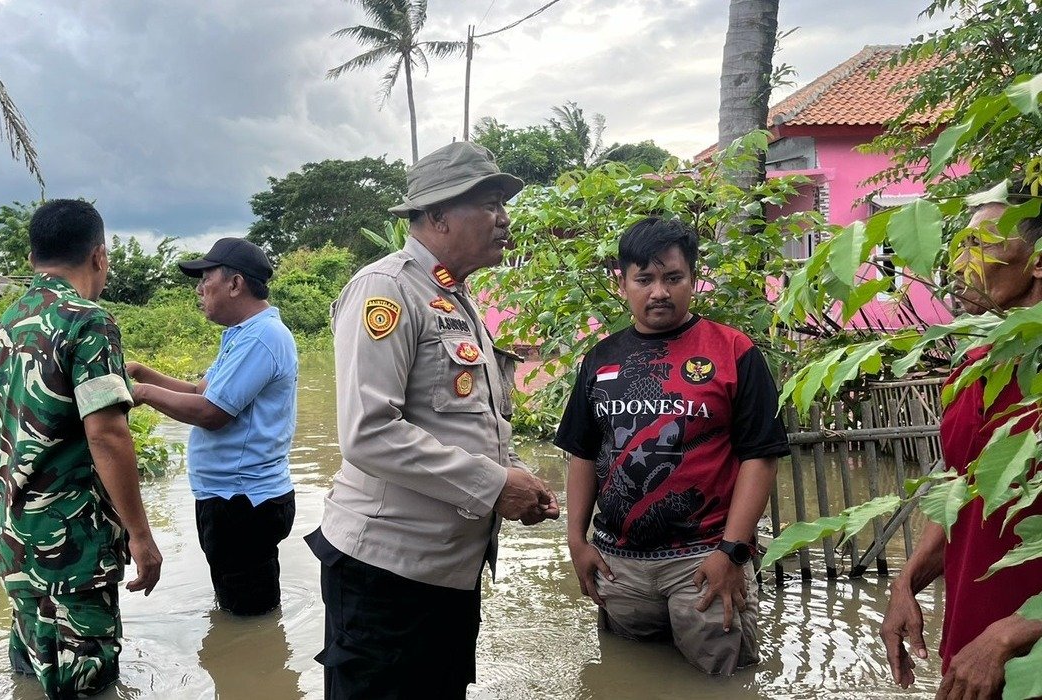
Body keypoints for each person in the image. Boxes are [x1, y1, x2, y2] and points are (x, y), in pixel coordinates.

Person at [305, 141, 561, 699]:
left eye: (503, 204)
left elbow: (476, 419)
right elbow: (368, 433)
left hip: (446, 570)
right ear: (439, 214)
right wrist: (495, 486)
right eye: (489, 204)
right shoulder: (387, 288)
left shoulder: (456, 300)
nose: (504, 218)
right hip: (387, 574)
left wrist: (517, 476)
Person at [0, 199, 162, 699]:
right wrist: (141, 537)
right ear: (99, 256)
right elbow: (107, 434)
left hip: (13, 546)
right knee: (89, 685)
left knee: (32, 674)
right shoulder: (87, 322)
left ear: (32, 258)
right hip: (74, 548)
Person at [555, 217, 790, 676]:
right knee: (626, 677)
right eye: (644, 279)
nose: (659, 292)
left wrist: (732, 553)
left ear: (694, 279)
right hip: (619, 566)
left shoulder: (734, 351)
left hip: (704, 562)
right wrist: (576, 542)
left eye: (673, 277)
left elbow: (760, 457)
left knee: (720, 679)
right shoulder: (600, 358)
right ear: (622, 284)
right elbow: (582, 453)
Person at [880, 183, 1042, 699]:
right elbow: (963, 489)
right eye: (960, 246)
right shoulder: (973, 368)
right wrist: (907, 581)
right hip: (971, 654)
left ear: (1038, 261)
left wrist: (1008, 634)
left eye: (981, 246)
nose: (959, 264)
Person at [127, 238, 297, 616]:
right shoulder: (243, 334)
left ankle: (257, 655)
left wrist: (142, 393)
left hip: (244, 502)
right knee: (237, 603)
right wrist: (141, 372)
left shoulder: (262, 337)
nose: (199, 290)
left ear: (235, 284)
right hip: (231, 498)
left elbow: (211, 414)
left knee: (250, 616)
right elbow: (199, 392)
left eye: (206, 279)